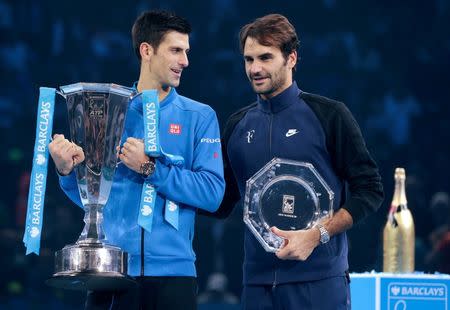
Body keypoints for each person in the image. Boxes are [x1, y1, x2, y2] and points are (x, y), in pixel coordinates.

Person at [48, 10, 225, 310]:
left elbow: (212, 194)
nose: (185, 61)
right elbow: (92, 196)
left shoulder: (200, 116)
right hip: (112, 270)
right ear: (147, 50)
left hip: (174, 274)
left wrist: (150, 168)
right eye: (176, 50)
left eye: (186, 51)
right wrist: (66, 171)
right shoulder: (108, 111)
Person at [213, 14, 384, 309]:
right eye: (248, 59)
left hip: (320, 282)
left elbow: (370, 189)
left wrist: (318, 235)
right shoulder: (237, 126)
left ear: (291, 58)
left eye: (265, 58)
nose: (255, 69)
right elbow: (221, 201)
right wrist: (159, 172)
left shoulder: (329, 115)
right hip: (257, 286)